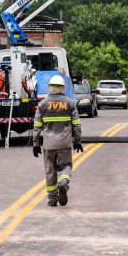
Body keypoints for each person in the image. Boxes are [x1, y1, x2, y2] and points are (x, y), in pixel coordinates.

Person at [33, 75, 83, 207]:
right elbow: (76, 124)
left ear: (50, 87)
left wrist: (35, 144)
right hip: (64, 143)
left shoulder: (42, 104)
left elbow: (37, 126)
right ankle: (63, 183)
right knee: (65, 166)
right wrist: (77, 141)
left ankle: (52, 199)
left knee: (50, 171)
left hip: (48, 144)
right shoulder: (70, 103)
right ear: (62, 87)